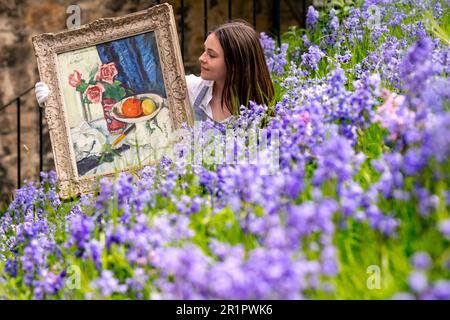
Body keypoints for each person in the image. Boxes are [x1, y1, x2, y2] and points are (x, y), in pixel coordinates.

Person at [35, 20, 275, 124]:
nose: (201, 58)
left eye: (211, 55)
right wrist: (56, 100)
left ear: (235, 64)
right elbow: (131, 98)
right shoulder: (192, 90)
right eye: (204, 50)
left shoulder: (261, 114)